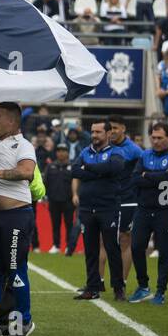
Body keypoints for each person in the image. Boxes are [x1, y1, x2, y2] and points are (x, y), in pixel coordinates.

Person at [0, 101, 40, 336]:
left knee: (15, 270)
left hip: (15, 216)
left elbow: (27, 172)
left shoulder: (23, 145)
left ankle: (22, 322)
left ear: (13, 121)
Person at [128, 121, 168, 305]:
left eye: (160, 138)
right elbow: (135, 179)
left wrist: (148, 175)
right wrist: (157, 177)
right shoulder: (145, 154)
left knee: (164, 251)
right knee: (136, 247)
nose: (156, 141)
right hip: (144, 209)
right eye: (153, 137)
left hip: (165, 211)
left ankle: (161, 291)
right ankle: (143, 286)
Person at [71, 119, 126, 301]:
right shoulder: (86, 151)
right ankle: (92, 287)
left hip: (108, 207)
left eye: (98, 132)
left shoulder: (116, 151)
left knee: (112, 248)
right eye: (92, 132)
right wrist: (100, 171)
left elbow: (115, 168)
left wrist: (89, 169)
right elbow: (75, 171)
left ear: (108, 134)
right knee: (90, 249)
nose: (94, 135)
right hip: (87, 208)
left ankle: (119, 288)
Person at [104, 115, 143, 286]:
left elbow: (145, 168)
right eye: (110, 128)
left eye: (115, 128)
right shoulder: (105, 147)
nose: (112, 131)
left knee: (125, 238)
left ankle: (122, 281)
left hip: (128, 200)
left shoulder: (134, 150)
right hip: (107, 199)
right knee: (103, 239)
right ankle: (99, 281)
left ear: (123, 129)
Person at [44, 144, 74, 254]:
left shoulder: (72, 166)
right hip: (54, 200)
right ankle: (56, 245)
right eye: (59, 151)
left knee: (69, 224)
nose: (61, 153)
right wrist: (45, 196)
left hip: (68, 201)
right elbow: (45, 182)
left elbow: (76, 183)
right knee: (55, 224)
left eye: (63, 150)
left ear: (67, 152)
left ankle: (68, 246)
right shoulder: (51, 166)